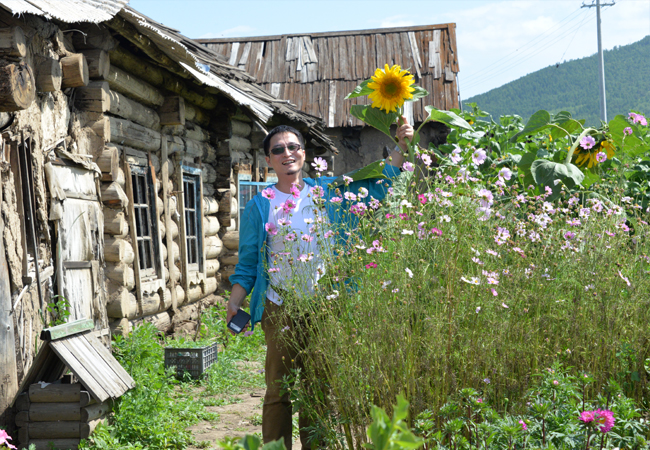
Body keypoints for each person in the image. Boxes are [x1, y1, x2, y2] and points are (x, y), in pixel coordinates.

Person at [227, 118, 413, 449]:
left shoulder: (327, 192)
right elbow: (247, 263)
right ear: (268, 159)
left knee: (319, 388)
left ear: (304, 153)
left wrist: (401, 146)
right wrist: (235, 301)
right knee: (278, 390)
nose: (287, 153)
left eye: (293, 147)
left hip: (323, 307)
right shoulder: (260, 205)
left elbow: (377, 183)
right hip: (279, 306)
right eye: (278, 150)